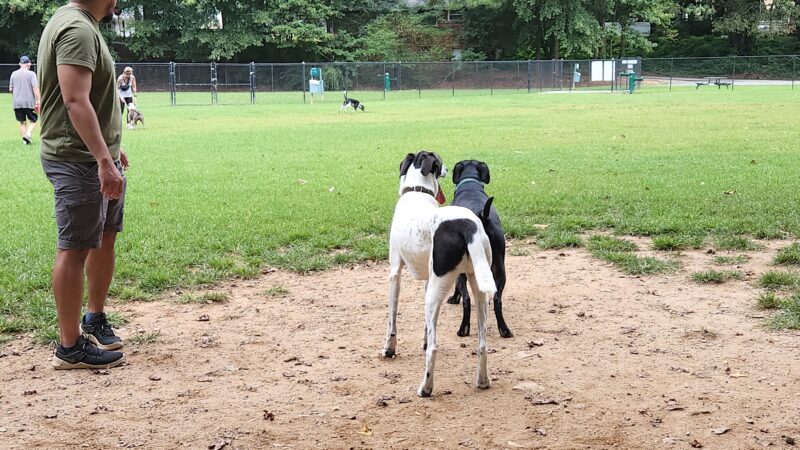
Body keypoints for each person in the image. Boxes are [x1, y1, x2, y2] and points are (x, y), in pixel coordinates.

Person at [38, 0, 129, 369]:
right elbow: (74, 101)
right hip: (79, 161)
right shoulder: (76, 29)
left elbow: (83, 98)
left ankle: (93, 318)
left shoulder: (79, 22)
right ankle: (70, 347)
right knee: (75, 247)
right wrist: (101, 158)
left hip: (94, 156)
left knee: (103, 236)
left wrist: (111, 150)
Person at [9, 55, 41, 145]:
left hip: (17, 103)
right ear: (29, 64)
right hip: (29, 102)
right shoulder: (31, 74)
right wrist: (38, 100)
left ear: (20, 64)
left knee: (22, 122)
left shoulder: (13, 74)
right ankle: (27, 134)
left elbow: (11, 90)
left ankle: (25, 142)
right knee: (34, 120)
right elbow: (35, 88)